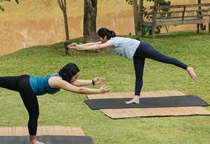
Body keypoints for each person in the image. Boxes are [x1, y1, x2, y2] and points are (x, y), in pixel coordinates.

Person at [0, 62, 110, 144]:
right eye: (75, 75)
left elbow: (76, 83)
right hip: (28, 88)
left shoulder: (60, 77)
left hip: (25, 79)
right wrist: (98, 92)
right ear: (69, 75)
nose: (77, 78)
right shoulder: (58, 81)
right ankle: (33, 141)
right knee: (34, 115)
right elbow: (78, 89)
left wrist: (92, 81)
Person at [67, 27, 197, 105]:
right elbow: (93, 44)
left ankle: (187, 68)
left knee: (165, 59)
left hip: (143, 48)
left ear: (105, 37)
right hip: (137, 53)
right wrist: (78, 46)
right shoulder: (109, 40)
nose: (100, 40)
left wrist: (81, 49)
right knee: (138, 75)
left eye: (101, 38)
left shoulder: (113, 41)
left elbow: (98, 46)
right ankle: (136, 98)